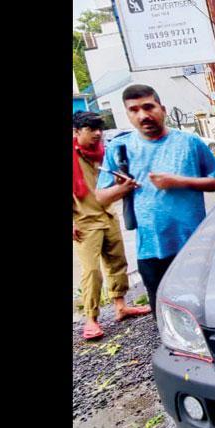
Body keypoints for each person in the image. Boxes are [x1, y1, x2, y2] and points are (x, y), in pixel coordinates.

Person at [95, 85, 215, 313]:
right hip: (150, 250)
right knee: (164, 314)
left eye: (148, 107)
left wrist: (178, 181)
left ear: (162, 109)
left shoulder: (190, 143)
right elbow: (101, 197)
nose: (143, 115)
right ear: (128, 115)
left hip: (193, 245)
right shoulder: (120, 148)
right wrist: (123, 188)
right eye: (134, 110)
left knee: (203, 311)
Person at [73, 111, 151, 341]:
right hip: (83, 220)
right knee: (92, 271)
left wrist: (120, 183)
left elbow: (108, 185)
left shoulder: (101, 153)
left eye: (100, 129)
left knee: (117, 262)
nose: (98, 133)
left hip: (108, 214)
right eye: (91, 129)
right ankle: (91, 319)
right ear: (76, 132)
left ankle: (120, 306)